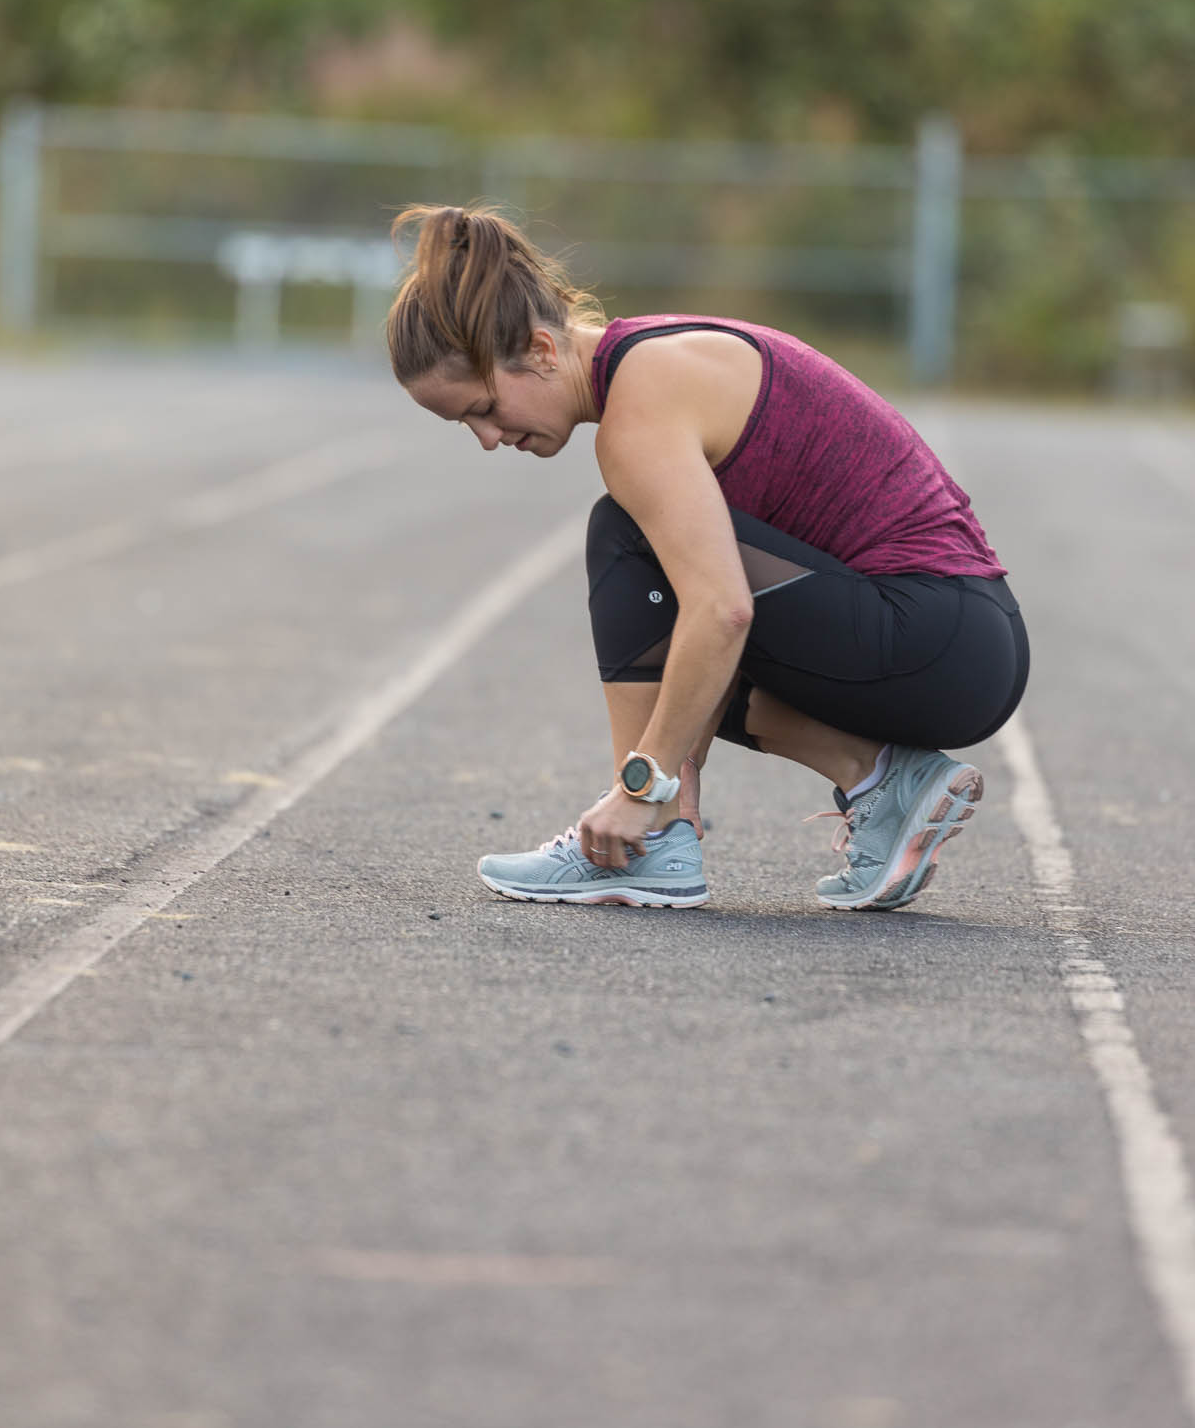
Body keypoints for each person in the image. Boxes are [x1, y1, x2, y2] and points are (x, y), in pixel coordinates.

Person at [387, 204, 1029, 913]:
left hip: (933, 635)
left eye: (481, 407)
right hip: (962, 638)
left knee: (627, 539)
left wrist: (642, 787)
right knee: (672, 657)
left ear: (541, 351)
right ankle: (877, 779)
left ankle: (648, 835)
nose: (485, 437)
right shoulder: (652, 353)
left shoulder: (637, 412)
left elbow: (723, 609)